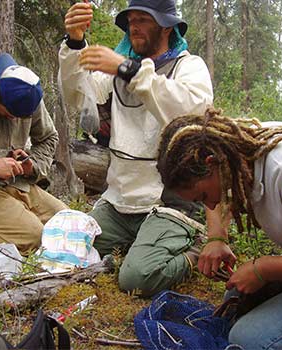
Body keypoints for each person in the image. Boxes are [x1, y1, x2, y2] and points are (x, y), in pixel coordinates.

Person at [58, 0, 226, 296]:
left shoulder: (189, 67)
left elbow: (191, 110)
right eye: (131, 20)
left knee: (136, 278)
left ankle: (194, 250)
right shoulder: (118, 68)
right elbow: (78, 95)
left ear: (165, 26)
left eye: (144, 19)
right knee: (68, 251)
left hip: (168, 203)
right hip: (120, 201)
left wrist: (128, 70)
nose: (134, 26)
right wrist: (75, 43)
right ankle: (140, 243)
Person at [157, 108, 282, 349]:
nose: (211, 204)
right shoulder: (235, 151)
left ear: (211, 164)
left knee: (249, 339)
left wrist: (263, 269)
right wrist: (216, 238)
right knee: (236, 297)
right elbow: (219, 193)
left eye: (203, 196)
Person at [0, 53, 68, 255]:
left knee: (70, 225)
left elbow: (48, 137)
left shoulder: (27, 91)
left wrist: (31, 165)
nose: (15, 121)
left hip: (19, 184)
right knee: (35, 236)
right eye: (10, 115)